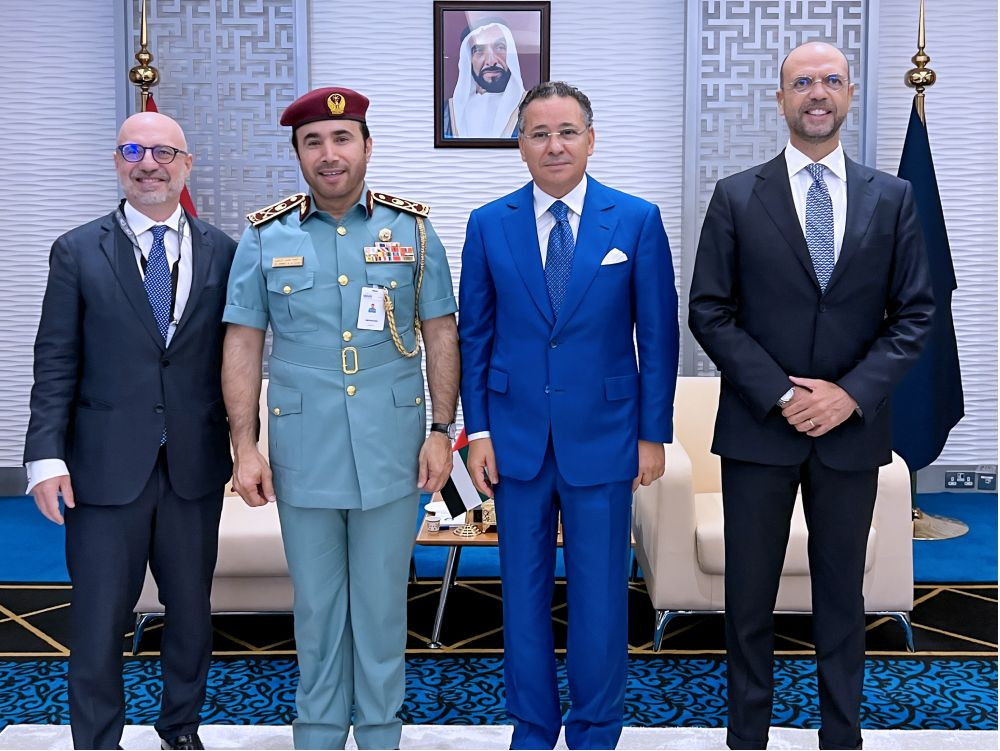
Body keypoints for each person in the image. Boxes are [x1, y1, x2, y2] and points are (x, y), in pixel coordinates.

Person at [688, 41, 934, 750]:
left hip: (852, 432)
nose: (816, 93)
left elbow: (914, 313)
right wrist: (782, 392)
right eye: (802, 82)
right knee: (749, 601)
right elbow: (710, 309)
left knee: (841, 599)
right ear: (781, 100)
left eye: (830, 81)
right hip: (760, 428)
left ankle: (841, 735)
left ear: (850, 95)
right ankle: (747, 736)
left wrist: (848, 395)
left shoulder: (894, 197)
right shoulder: (737, 194)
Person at [221, 86, 459, 750]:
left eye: (342, 138)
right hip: (305, 450)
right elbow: (242, 342)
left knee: (382, 607)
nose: (330, 154)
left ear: (367, 145)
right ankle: (320, 733)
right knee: (320, 610)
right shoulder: (266, 236)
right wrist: (245, 444)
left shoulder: (411, 230)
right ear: (298, 153)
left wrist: (442, 430)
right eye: (313, 142)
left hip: (392, 446)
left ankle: (381, 732)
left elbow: (439, 330)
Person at [459, 81, 678, 749]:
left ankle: (594, 728)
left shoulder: (634, 219)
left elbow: (659, 334)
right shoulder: (488, 222)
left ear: (590, 138)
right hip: (515, 438)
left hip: (607, 438)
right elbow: (476, 333)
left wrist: (652, 433)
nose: (554, 145)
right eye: (538, 133)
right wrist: (480, 431)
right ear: (519, 144)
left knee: (600, 598)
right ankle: (531, 726)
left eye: (567, 131)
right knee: (521, 597)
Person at [23, 111, 236, 750]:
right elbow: (55, 358)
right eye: (134, 150)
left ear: (187, 164)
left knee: (192, 617)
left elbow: (236, 359)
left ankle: (181, 730)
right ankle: (95, 739)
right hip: (102, 468)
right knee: (97, 620)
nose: (149, 163)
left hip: (193, 466)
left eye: (164, 152)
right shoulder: (77, 249)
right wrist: (44, 458)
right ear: (117, 161)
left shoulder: (224, 250)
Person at [443, 21, 526, 139]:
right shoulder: (448, 112)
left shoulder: (532, 106)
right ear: (468, 61)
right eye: (479, 51)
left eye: (500, 47)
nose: (491, 61)